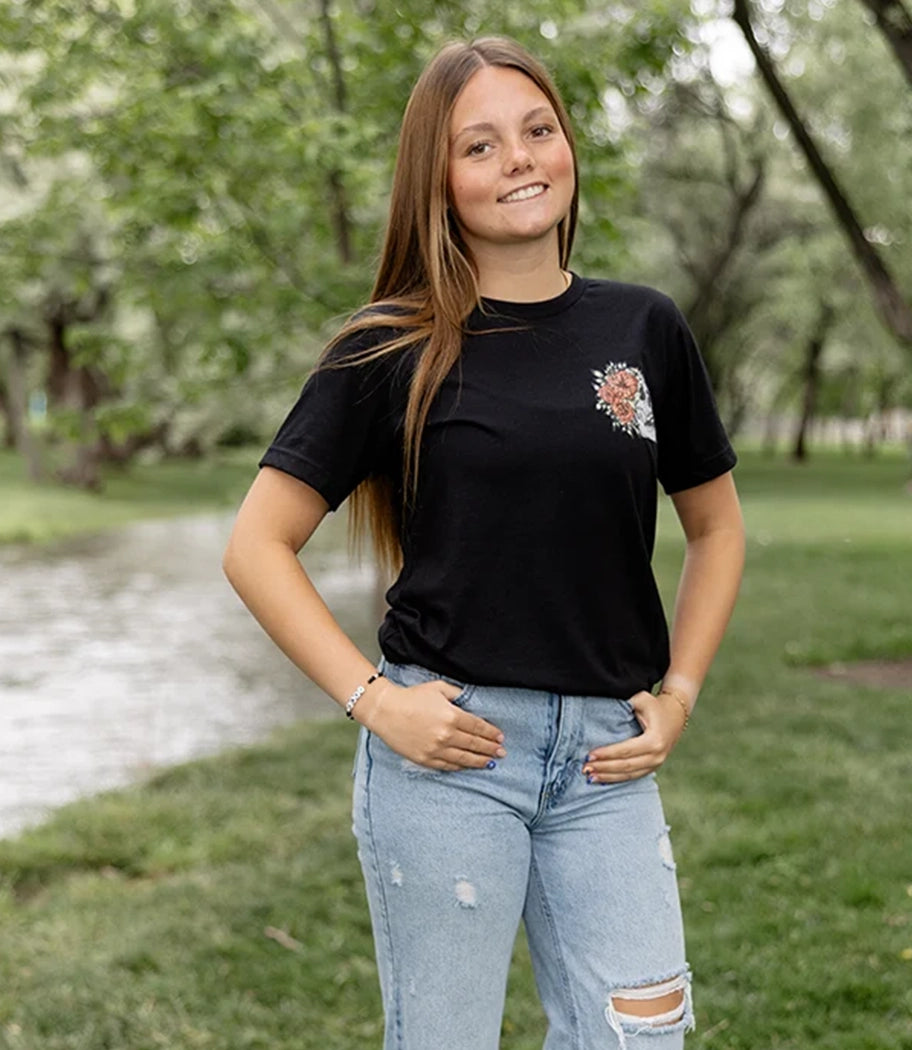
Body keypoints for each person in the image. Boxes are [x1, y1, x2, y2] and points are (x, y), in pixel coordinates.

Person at [223, 34, 745, 1050]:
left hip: (606, 760)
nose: (519, 159)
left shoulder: (645, 328)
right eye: (481, 145)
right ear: (440, 180)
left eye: (538, 130)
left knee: (642, 1031)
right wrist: (374, 702)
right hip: (452, 756)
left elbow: (717, 527)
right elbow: (256, 545)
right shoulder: (390, 345)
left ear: (568, 149)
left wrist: (679, 693)